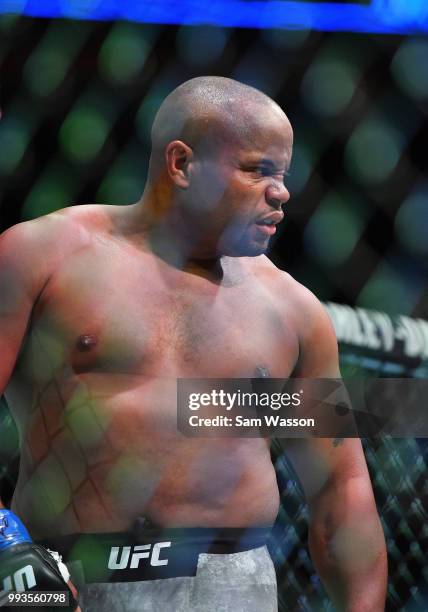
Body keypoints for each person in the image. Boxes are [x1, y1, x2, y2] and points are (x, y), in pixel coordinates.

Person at [0, 76, 386, 611]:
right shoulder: (43, 257)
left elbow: (340, 491)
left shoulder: (292, 312)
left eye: (284, 173)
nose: (282, 192)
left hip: (232, 585)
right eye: (259, 170)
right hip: (66, 581)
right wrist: (5, 543)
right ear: (181, 164)